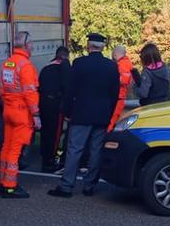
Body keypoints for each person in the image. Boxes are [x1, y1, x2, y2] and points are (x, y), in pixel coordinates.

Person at [49, 33, 119, 199]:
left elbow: (70, 90)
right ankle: (90, 185)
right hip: (102, 114)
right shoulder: (111, 66)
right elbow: (115, 93)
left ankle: (66, 186)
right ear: (102, 47)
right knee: (96, 151)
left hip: (81, 113)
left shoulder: (79, 64)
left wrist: (66, 110)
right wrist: (110, 113)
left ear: (89, 46)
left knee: (75, 149)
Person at [0, 31, 40, 198]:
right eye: (32, 44)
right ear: (26, 46)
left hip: (8, 110)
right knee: (15, 150)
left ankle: (3, 182)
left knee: (6, 147)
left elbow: (3, 88)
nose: (33, 47)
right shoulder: (26, 66)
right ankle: (10, 186)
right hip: (21, 113)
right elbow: (30, 93)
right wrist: (36, 115)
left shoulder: (8, 64)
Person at [38, 46, 70, 172]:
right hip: (56, 105)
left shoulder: (46, 68)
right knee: (55, 134)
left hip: (43, 103)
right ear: (65, 57)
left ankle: (44, 157)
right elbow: (67, 88)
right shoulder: (64, 69)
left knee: (45, 132)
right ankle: (50, 160)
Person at [107, 45, 134, 132]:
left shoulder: (123, 64)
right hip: (119, 96)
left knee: (112, 121)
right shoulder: (126, 63)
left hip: (119, 96)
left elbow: (124, 80)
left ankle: (107, 137)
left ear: (115, 55)